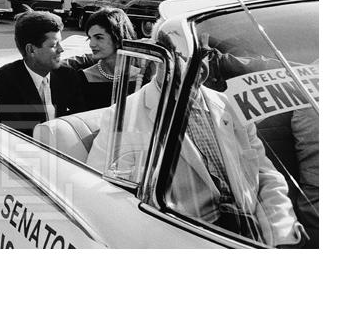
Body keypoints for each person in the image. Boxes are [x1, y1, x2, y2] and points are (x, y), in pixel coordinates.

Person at [86, 33, 304, 247]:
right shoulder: (124, 115)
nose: (200, 68)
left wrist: (281, 234)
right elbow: (105, 198)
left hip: (251, 235)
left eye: (205, 55)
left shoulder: (229, 106)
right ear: (162, 59)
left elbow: (266, 175)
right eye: (187, 56)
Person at [0, 11, 86, 137]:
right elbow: (16, 134)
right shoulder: (6, 80)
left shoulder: (67, 75)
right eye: (54, 45)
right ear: (31, 50)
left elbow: (79, 120)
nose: (61, 49)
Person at [78, 8, 137, 111]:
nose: (91, 44)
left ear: (118, 38)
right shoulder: (83, 78)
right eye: (90, 38)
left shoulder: (140, 78)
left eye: (99, 37)